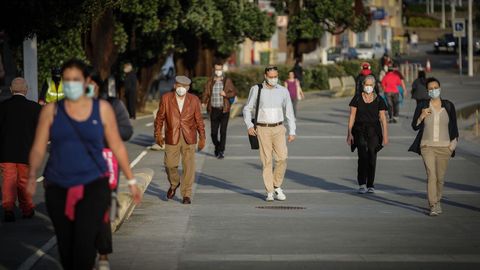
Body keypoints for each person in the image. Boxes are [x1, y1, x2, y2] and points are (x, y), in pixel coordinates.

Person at [27, 59, 141, 270]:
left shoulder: (103, 108)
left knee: (85, 245)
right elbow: (38, 147)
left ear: (86, 80)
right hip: (57, 185)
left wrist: (132, 180)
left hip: (93, 184)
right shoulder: (51, 111)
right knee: (66, 246)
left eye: (75, 80)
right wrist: (32, 175)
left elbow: (117, 146)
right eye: (66, 80)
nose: (70, 84)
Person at [87, 71, 133, 270]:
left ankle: (103, 255)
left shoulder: (113, 105)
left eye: (90, 84)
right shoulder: (69, 107)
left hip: (106, 164)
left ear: (98, 86)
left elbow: (127, 131)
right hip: (78, 165)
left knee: (102, 213)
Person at [243, 65, 296, 202]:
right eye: (271, 77)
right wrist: (249, 125)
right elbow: (247, 109)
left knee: (282, 158)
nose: (274, 79)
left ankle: (276, 185)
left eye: (276, 77)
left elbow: (289, 111)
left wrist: (292, 131)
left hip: (279, 128)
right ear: (265, 76)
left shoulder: (283, 91)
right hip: (263, 129)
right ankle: (270, 191)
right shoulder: (256, 89)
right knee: (266, 161)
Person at [408, 77, 459, 216]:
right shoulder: (422, 106)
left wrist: (452, 145)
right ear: (427, 91)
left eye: (435, 87)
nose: (433, 90)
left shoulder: (448, 106)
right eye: (430, 89)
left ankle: (438, 200)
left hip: (444, 148)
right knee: (431, 176)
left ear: (440, 88)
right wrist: (421, 116)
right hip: (427, 146)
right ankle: (433, 205)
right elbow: (414, 126)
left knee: (440, 178)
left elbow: (454, 127)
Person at [154, 76, 206, 204]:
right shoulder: (166, 98)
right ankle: (174, 183)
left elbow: (199, 119)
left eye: (184, 86)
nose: (181, 89)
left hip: (189, 136)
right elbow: (160, 118)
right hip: (172, 135)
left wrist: (202, 137)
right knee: (169, 164)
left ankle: (186, 194)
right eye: (179, 86)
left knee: (189, 166)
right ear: (174, 86)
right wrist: (158, 134)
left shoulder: (193, 100)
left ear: (188, 88)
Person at [0, 78, 41, 222]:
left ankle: (8, 208)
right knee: (24, 181)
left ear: (11, 90)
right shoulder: (35, 108)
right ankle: (27, 209)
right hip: (26, 152)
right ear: (26, 90)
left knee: (8, 181)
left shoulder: (3, 107)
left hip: (6, 152)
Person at [347, 75, 389, 194]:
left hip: (374, 131)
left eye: (371, 85)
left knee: (372, 156)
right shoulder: (357, 98)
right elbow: (352, 116)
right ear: (363, 85)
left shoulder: (379, 99)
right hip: (359, 130)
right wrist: (349, 133)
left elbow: (383, 119)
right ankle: (362, 183)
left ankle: (370, 184)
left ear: (374, 86)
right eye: (367, 84)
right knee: (362, 157)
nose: (368, 87)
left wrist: (385, 135)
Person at [202, 63, 237, 159]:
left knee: (223, 131)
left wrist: (225, 94)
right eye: (217, 69)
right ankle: (217, 146)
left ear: (222, 70)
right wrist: (204, 102)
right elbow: (206, 93)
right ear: (214, 70)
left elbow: (233, 92)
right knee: (213, 133)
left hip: (224, 109)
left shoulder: (227, 81)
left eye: (220, 69)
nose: (218, 71)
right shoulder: (210, 81)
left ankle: (221, 151)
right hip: (213, 110)